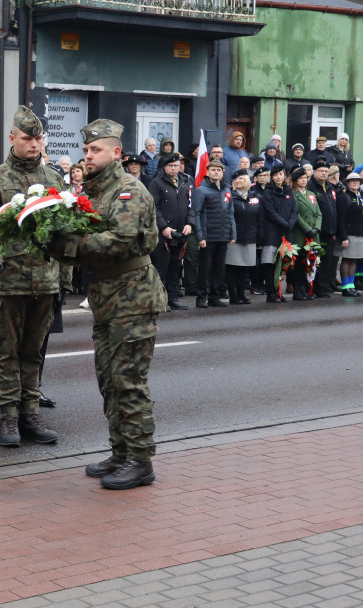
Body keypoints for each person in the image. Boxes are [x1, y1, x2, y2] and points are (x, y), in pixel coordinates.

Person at [43, 119, 166, 490]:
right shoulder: (94, 192)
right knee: (109, 382)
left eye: (95, 150)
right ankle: (121, 452)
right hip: (107, 299)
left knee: (128, 382)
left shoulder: (129, 191)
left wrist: (68, 244)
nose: (88, 156)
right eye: (85, 150)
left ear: (116, 153)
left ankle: (141, 461)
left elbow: (119, 241)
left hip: (133, 298)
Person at [0, 106, 63, 448]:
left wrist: (64, 278)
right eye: (27, 138)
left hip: (45, 281)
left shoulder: (54, 179)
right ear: (12, 138)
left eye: (39, 138)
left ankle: (30, 413)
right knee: (7, 352)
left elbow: (64, 229)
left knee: (34, 352)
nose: (34, 144)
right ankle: (8, 415)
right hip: (8, 280)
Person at [148, 153, 194, 311]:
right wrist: (163, 227)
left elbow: (191, 205)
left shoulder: (186, 181)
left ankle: (173, 298)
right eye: (171, 166)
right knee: (162, 268)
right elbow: (154, 207)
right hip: (163, 233)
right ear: (164, 167)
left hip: (181, 232)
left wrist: (190, 224)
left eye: (176, 165)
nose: (174, 168)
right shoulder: (156, 183)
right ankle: (160, 300)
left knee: (176, 268)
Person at [192, 159, 235, 308]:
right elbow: (196, 214)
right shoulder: (201, 190)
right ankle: (201, 297)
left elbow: (231, 213)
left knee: (219, 268)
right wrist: (200, 236)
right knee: (205, 268)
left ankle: (214, 297)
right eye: (213, 170)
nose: (216, 172)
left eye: (218, 170)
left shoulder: (227, 190)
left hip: (223, 234)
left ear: (223, 173)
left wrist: (233, 234)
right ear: (208, 172)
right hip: (208, 235)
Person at [259, 163, 297, 302]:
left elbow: (294, 211)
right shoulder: (268, 192)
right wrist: (285, 224)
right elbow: (270, 212)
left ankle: (279, 292)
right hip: (271, 233)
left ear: (285, 176)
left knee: (281, 264)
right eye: (275, 175)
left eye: (281, 174)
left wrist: (289, 224)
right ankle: (271, 293)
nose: (278, 177)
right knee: (270, 264)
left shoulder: (288, 191)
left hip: (286, 233)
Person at [227, 168, 261, 305]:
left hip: (250, 236)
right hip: (234, 238)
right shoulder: (230, 196)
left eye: (241, 178)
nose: (237, 181)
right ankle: (233, 296)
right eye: (235, 179)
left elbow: (259, 217)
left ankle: (241, 294)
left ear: (247, 180)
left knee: (243, 267)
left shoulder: (254, 197)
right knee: (232, 267)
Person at [307, 159, 338, 297]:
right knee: (316, 261)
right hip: (317, 231)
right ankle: (315, 287)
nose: (324, 173)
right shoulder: (310, 187)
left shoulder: (330, 187)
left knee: (326, 261)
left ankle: (324, 285)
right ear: (314, 172)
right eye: (321, 171)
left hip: (330, 231)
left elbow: (334, 209)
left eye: (326, 171)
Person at [336, 172, 363, 297]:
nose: (355, 182)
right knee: (347, 260)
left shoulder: (362, 196)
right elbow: (341, 219)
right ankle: (346, 287)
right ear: (348, 183)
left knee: (354, 260)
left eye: (357, 180)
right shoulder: (344, 197)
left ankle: (351, 285)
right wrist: (343, 237)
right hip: (349, 234)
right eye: (352, 180)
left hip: (360, 234)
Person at [290, 166, 320, 300]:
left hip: (313, 233)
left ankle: (306, 288)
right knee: (298, 263)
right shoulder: (293, 195)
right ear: (295, 180)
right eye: (300, 178)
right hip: (301, 233)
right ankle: (297, 289)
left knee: (309, 262)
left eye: (305, 178)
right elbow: (296, 215)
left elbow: (318, 213)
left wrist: (316, 228)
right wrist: (308, 229)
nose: (303, 180)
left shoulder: (311, 194)